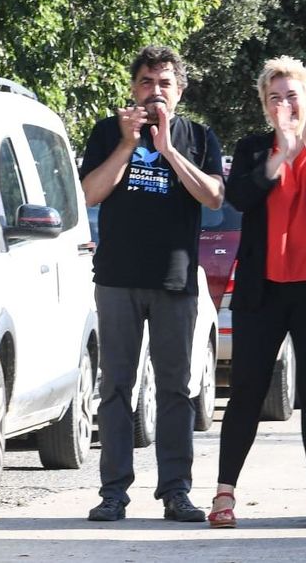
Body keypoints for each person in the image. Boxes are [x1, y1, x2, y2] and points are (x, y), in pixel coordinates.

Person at [208, 56, 306, 528]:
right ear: (263, 104)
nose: (283, 105)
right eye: (274, 97)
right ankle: (224, 494)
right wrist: (281, 151)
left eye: (291, 96)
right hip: (264, 287)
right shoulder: (255, 148)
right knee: (247, 392)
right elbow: (240, 197)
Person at [79, 45, 225, 522]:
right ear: (133, 88)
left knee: (175, 389)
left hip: (174, 280)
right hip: (118, 278)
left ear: (179, 91)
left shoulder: (198, 136)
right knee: (116, 386)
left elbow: (213, 197)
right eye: (146, 82)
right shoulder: (109, 132)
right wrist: (128, 143)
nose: (155, 91)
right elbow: (88, 194)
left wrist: (168, 151)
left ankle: (176, 491)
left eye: (164, 83)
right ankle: (113, 492)